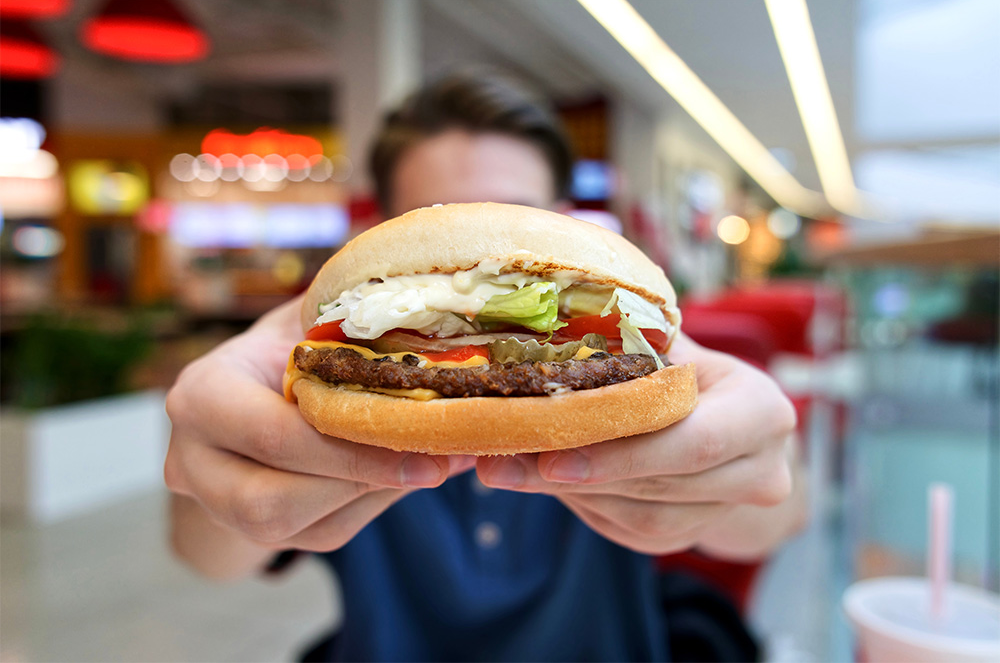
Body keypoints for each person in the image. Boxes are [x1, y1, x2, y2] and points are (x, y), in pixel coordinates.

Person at [165, 71, 807, 661]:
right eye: (439, 219)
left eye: (516, 214)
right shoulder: (306, 367)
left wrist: (751, 471)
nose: (480, 246)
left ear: (563, 219)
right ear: (383, 225)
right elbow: (207, 558)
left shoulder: (635, 352)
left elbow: (774, 520)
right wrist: (210, 479)